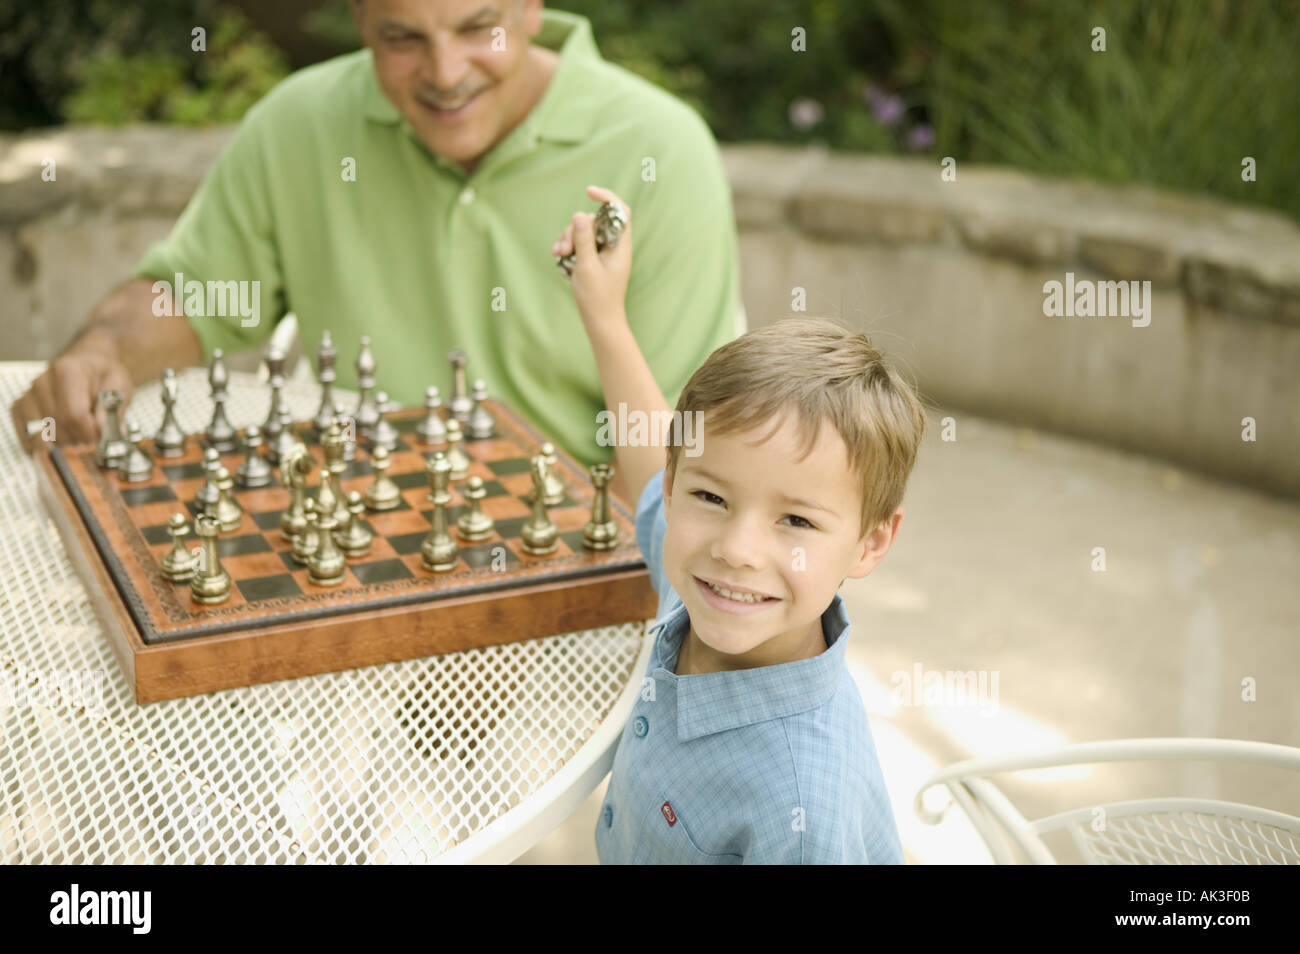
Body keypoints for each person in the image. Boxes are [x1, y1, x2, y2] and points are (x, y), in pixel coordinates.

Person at [10, 0, 741, 505]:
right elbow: (191, 298)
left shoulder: (662, 152)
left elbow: (682, 457)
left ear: (530, 8)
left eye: (476, 27)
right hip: (352, 551)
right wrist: (102, 351)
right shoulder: (298, 125)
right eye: (403, 38)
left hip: (577, 577)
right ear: (359, 18)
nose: (447, 72)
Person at [554, 188, 928, 862]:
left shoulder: (803, 812)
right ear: (676, 488)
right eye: (713, 498)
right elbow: (649, 451)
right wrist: (604, 312)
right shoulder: (702, 588)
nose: (737, 550)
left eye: (796, 520)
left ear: (871, 541)